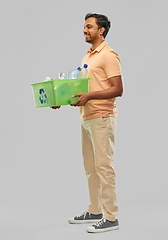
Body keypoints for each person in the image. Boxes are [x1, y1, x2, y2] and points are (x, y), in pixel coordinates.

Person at [51, 13, 123, 233]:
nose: (84, 30)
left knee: (104, 168)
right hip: (86, 117)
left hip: (102, 117)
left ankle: (111, 218)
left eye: (89, 26)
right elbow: (82, 88)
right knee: (91, 169)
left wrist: (90, 98)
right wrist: (61, 99)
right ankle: (94, 210)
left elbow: (118, 89)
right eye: (84, 26)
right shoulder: (87, 57)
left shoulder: (108, 55)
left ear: (101, 30)